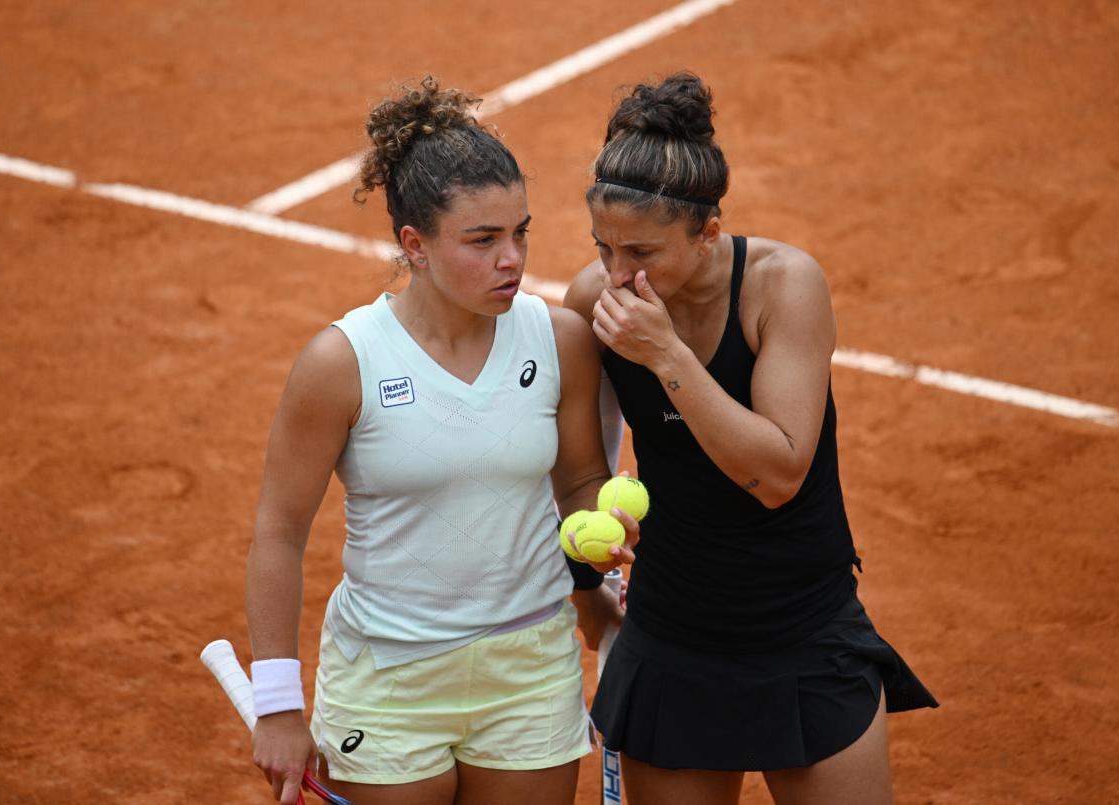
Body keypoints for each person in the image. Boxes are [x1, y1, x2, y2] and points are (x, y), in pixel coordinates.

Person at [244, 77, 637, 805]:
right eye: (483, 240)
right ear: (414, 245)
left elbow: (580, 480)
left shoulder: (559, 340)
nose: (512, 259)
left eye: (521, 231)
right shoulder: (342, 362)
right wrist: (277, 702)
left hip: (529, 669)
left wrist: (597, 549)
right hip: (389, 679)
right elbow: (277, 531)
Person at [564, 72, 938, 805]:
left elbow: (777, 472)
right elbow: (580, 472)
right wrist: (591, 594)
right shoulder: (592, 303)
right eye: (602, 248)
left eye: (640, 252)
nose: (616, 274)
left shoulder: (784, 285)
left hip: (804, 629)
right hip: (672, 637)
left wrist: (666, 354)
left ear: (707, 233)